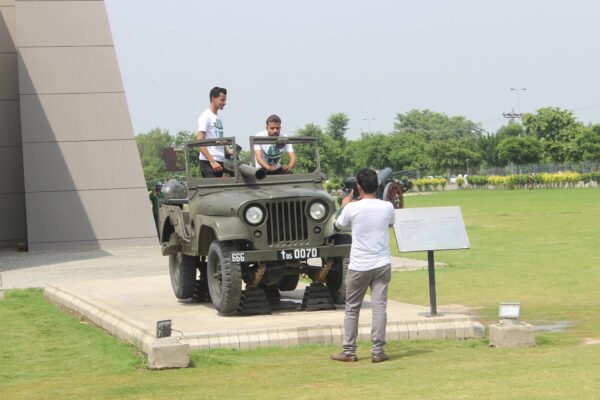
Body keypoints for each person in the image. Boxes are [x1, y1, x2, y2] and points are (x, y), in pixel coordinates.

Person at [330, 168, 395, 363]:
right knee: (379, 308)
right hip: (382, 264)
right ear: (377, 185)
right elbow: (391, 224)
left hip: (359, 265)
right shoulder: (387, 207)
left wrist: (344, 205)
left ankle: (349, 351)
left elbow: (338, 225)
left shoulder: (352, 208)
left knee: (352, 308)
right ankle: (378, 351)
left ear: (358, 187)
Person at [197, 87, 227, 177]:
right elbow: (200, 141)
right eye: (222, 100)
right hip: (208, 162)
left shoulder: (217, 117)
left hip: (220, 160)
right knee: (214, 190)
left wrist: (227, 149)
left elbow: (217, 139)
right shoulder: (205, 116)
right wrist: (212, 161)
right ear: (213, 99)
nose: (225, 103)